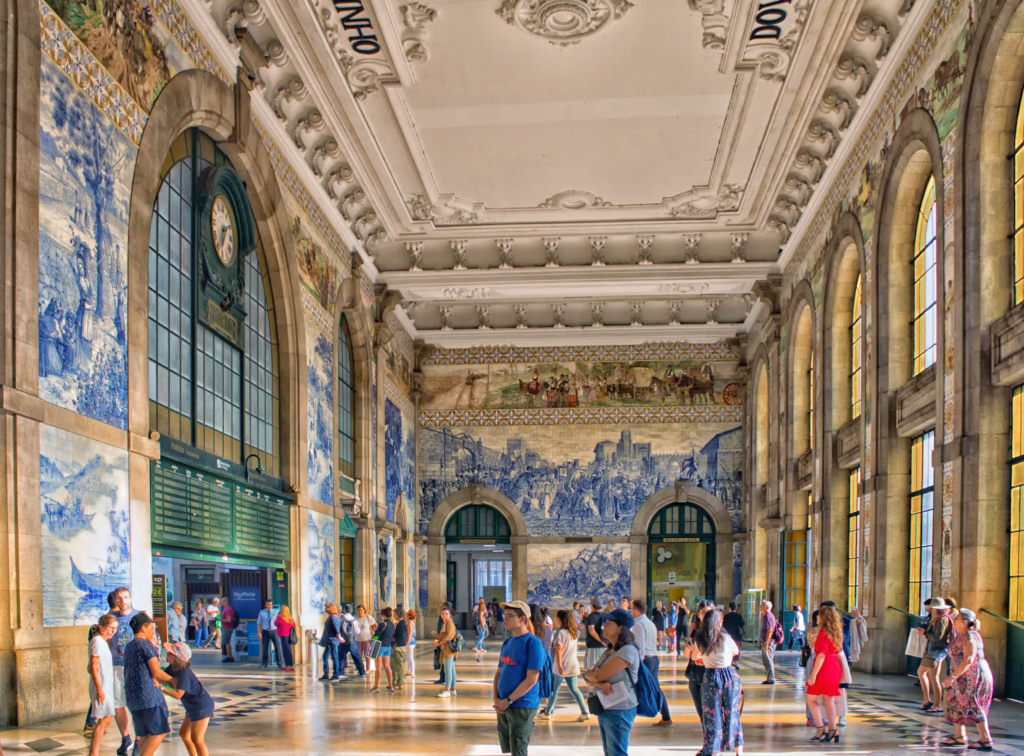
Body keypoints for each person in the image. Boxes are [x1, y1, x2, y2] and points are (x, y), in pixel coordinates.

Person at [582, 608, 640, 756]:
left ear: (621, 628)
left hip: (620, 709)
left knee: (617, 752)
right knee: (609, 751)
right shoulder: (609, 651)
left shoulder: (628, 650)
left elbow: (598, 674)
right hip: (606, 706)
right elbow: (589, 676)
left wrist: (594, 677)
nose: (603, 627)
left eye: (608, 623)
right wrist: (598, 683)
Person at [493, 600, 545, 756]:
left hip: (521, 704)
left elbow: (532, 680)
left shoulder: (533, 643)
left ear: (523, 619)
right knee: (509, 747)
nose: (505, 619)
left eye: (510, 615)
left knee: (519, 749)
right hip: (503, 704)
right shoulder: (508, 642)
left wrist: (508, 700)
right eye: (504, 615)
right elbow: (498, 673)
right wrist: (496, 698)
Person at [123, 613, 176, 756]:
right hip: (149, 698)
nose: (153, 631)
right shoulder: (146, 645)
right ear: (142, 629)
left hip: (133, 699)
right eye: (151, 628)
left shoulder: (128, 647)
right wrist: (175, 681)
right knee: (160, 732)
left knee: (145, 735)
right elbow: (157, 672)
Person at [941, 609, 994, 749]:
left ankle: (986, 739)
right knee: (957, 703)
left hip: (973, 676)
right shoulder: (961, 635)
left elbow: (969, 660)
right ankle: (959, 735)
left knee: (973, 704)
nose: (954, 620)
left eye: (957, 619)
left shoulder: (970, 636)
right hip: (961, 677)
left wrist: (952, 677)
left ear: (964, 622)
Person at [695, 608, 744, 756]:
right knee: (732, 713)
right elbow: (736, 651)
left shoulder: (701, 639)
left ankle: (715, 751)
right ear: (719, 622)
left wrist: (706, 659)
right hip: (729, 676)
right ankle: (738, 751)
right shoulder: (725, 638)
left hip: (711, 677)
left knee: (712, 716)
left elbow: (696, 655)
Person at [157, 642, 214, 756]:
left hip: (200, 706)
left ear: (177, 657)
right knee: (184, 733)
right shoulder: (174, 668)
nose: (167, 654)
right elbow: (165, 678)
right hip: (192, 707)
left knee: (197, 739)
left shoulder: (184, 673)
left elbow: (178, 694)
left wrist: (160, 687)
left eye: (170, 653)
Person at [110, 587, 144, 756]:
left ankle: (139, 740)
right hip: (116, 666)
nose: (123, 601)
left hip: (136, 666)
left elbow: (152, 639)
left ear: (130, 598)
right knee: (118, 704)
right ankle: (126, 738)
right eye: (119, 598)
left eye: (125, 597)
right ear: (115, 601)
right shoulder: (110, 618)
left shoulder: (140, 616)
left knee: (136, 704)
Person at [538, 608, 589, 722]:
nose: (555, 620)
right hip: (572, 664)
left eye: (557, 618)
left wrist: (559, 665)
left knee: (554, 690)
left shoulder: (560, 633)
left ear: (561, 620)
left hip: (561, 665)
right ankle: (584, 711)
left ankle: (547, 712)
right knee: (574, 689)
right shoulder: (573, 632)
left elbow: (559, 649)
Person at [630, 599, 672, 727]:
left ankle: (632, 714)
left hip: (645, 660)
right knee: (655, 688)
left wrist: (638, 662)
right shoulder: (650, 623)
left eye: (631, 609)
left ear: (636, 611)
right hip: (653, 658)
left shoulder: (638, 625)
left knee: (638, 688)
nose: (631, 611)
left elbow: (640, 646)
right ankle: (666, 716)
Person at [806, 606, 844, 744]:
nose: (817, 618)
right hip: (834, 666)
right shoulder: (835, 632)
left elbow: (821, 655)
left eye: (818, 616)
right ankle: (832, 730)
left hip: (824, 668)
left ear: (823, 618)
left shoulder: (823, 633)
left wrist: (813, 675)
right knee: (829, 701)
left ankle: (820, 727)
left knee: (810, 698)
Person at [87, 615, 118, 756]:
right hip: (101, 686)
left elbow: (93, 666)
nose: (113, 631)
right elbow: (93, 666)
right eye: (110, 627)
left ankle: (94, 752)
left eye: (115, 628)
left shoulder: (102, 642)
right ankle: (94, 753)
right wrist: (99, 690)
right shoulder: (98, 641)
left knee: (107, 720)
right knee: (103, 720)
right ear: (101, 627)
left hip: (105, 685)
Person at [918, 597, 953, 714]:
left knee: (925, 673)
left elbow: (938, 637)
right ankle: (929, 701)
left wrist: (925, 634)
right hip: (937, 649)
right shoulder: (939, 619)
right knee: (933, 677)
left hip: (938, 649)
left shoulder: (942, 620)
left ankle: (935, 703)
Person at [682, 601, 713, 723]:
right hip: (695, 671)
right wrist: (689, 648)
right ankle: (707, 733)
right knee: (700, 707)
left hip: (709, 671)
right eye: (703, 612)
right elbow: (686, 654)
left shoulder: (717, 630)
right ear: (698, 614)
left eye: (708, 612)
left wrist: (703, 659)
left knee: (709, 707)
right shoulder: (693, 629)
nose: (705, 615)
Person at [433, 605, 458, 697]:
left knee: (448, 671)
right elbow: (445, 636)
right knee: (451, 669)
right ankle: (453, 689)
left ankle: (447, 690)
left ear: (450, 615)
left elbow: (449, 637)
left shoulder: (449, 624)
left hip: (449, 650)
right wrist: (438, 636)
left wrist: (439, 642)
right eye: (443, 614)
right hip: (447, 649)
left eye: (446, 614)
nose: (444, 615)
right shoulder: (445, 624)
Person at [371, 607, 396, 693]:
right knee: (387, 666)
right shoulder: (392, 624)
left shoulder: (383, 624)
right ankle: (390, 685)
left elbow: (376, 636)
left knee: (378, 667)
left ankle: (376, 686)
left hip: (380, 646)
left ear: (383, 615)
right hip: (388, 646)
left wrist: (374, 632)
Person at [338, 604, 366, 678]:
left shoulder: (341, 618)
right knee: (357, 657)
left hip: (343, 641)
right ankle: (361, 671)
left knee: (341, 657)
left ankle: (340, 672)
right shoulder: (354, 620)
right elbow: (357, 632)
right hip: (352, 641)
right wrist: (359, 628)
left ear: (344, 610)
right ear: (351, 611)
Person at [319, 603, 343, 681]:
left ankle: (335, 675)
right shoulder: (330, 617)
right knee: (325, 657)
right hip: (329, 641)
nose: (325, 609)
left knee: (334, 658)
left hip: (332, 641)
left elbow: (336, 629)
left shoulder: (333, 618)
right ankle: (326, 674)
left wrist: (339, 637)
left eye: (326, 607)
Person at [256, 600, 281, 669]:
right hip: (265, 631)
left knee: (277, 647)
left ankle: (279, 663)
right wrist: (259, 632)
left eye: (269, 604)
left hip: (274, 631)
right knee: (265, 648)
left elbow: (279, 622)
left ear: (272, 606)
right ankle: (264, 663)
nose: (268, 606)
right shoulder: (262, 612)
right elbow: (259, 623)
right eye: (267, 604)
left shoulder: (276, 612)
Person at [759, 600, 778, 684]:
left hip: (769, 642)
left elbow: (770, 630)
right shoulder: (767, 616)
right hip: (767, 642)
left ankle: (771, 678)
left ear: (767, 607)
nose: (760, 607)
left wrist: (766, 643)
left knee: (768, 659)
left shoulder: (768, 616)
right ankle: (769, 677)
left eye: (762, 605)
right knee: (766, 659)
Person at [585, 598, 607, 670]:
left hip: (593, 646)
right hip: (604, 646)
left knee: (591, 668)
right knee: (602, 668)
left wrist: (600, 640)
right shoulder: (605, 616)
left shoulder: (591, 616)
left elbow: (592, 631)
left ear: (592, 606)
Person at [355, 605, 377, 672]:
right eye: (358, 610)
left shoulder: (368, 617)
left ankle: (368, 668)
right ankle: (360, 668)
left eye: (361, 610)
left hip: (367, 639)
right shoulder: (355, 617)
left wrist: (373, 631)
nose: (360, 612)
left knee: (367, 654)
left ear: (364, 610)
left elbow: (375, 625)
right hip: (357, 639)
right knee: (358, 655)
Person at [274, 605, 296, 671]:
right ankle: (288, 665)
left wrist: (278, 616)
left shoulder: (281, 618)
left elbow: (275, 623)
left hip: (283, 636)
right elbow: (294, 626)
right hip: (288, 636)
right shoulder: (290, 618)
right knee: (288, 650)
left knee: (286, 651)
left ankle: (289, 665)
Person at [391, 609, 409, 689]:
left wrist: (394, 639)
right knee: (394, 665)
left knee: (399, 665)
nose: (394, 616)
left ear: (398, 614)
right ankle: (394, 681)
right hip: (396, 646)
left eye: (395, 614)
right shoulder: (399, 623)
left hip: (399, 646)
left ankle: (400, 682)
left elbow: (401, 636)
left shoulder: (401, 624)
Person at [219, 598, 237, 663]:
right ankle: (229, 656)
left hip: (227, 628)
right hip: (226, 628)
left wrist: (220, 620)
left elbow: (229, 619)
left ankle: (229, 657)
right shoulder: (227, 609)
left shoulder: (227, 609)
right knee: (227, 642)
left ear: (224, 602)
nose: (221, 602)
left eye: (221, 601)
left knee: (227, 643)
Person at [405, 609, 417, 680]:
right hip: (411, 642)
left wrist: (407, 643)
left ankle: (412, 672)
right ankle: (409, 671)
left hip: (410, 642)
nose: (405, 614)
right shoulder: (410, 623)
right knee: (408, 657)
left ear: (409, 616)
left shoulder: (410, 624)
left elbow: (409, 634)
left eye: (407, 613)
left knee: (410, 657)